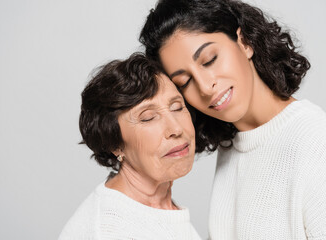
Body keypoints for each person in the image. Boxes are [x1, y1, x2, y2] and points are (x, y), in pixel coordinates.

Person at [139, 0, 326, 239]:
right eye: (184, 82)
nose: (206, 87)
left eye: (209, 60)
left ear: (244, 42)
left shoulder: (315, 141)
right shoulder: (233, 146)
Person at [58, 53, 202, 240]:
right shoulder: (110, 232)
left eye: (177, 107)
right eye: (148, 117)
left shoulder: (157, 205)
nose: (176, 128)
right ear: (115, 143)